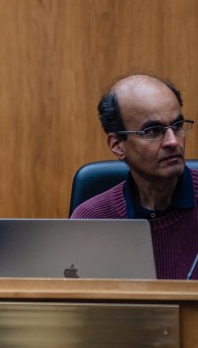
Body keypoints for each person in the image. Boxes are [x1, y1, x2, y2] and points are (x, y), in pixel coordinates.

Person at [71, 74, 198, 279]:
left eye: (177, 126)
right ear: (118, 145)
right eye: (153, 131)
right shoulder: (92, 220)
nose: (173, 141)